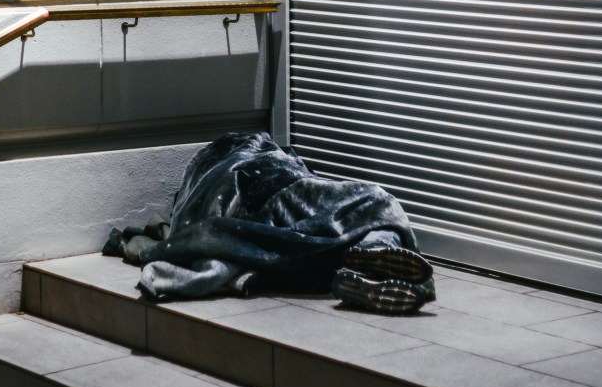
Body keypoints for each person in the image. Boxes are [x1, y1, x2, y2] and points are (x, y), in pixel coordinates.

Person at [103, 132, 435, 314]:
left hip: (271, 193)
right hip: (289, 186)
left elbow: (194, 219)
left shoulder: (212, 170)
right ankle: (374, 253)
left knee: (295, 244)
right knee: (371, 203)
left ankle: (358, 264)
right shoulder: (255, 155)